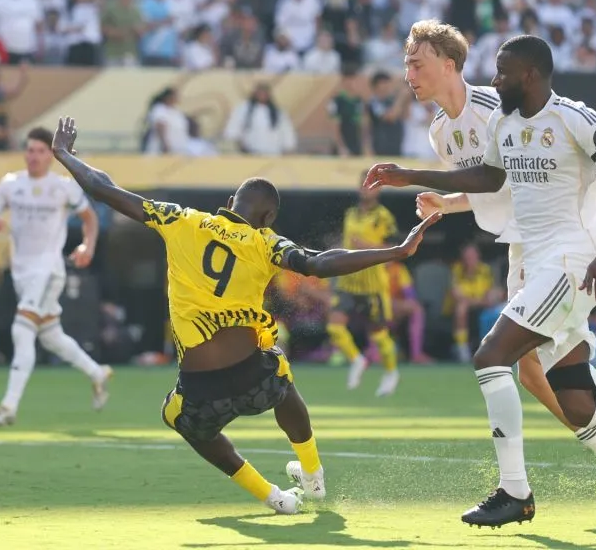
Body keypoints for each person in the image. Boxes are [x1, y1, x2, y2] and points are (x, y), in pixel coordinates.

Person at [367, 34, 596, 528]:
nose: (493, 79)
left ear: (529, 75)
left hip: (570, 260)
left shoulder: (570, 117)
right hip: (530, 254)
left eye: (502, 72)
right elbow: (491, 182)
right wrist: (416, 179)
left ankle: (515, 492)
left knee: (492, 356)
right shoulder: (494, 123)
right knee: (581, 403)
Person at [48, 115, 440, 514]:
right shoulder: (265, 241)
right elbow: (320, 263)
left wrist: (65, 155)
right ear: (268, 217)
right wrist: (396, 251)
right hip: (254, 375)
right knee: (282, 375)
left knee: (179, 419)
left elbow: (106, 188)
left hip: (201, 385)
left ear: (231, 203)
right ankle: (312, 475)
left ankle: (274, 497)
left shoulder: (182, 219)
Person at [403, 20, 596, 521]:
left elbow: (542, 166)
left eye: (417, 62)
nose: (408, 72)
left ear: (448, 65)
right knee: (533, 371)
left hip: (558, 243)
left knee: (513, 361)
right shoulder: (440, 132)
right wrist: (446, 204)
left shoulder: (497, 105)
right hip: (524, 244)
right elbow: (495, 182)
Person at [0, 127, 113, 426]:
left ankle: (8, 407)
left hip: (48, 269)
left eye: (40, 151)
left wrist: (86, 245)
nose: (34, 156)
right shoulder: (10, 184)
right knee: (51, 336)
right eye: (29, 150)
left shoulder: (63, 187)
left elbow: (89, 217)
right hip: (21, 271)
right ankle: (98, 373)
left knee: (22, 329)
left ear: (50, 156)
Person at [327, 178, 402, 396]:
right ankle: (357, 360)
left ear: (378, 191)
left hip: (373, 284)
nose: (366, 189)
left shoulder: (384, 217)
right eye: (364, 185)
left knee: (379, 335)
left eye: (372, 186)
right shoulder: (350, 214)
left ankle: (391, 373)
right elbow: (348, 242)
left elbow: (396, 248)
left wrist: (367, 247)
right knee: (334, 327)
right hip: (349, 280)